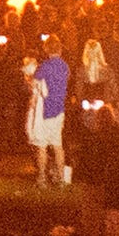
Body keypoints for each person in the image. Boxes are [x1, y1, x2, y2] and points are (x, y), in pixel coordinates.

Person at [27, 37, 70, 188]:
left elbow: (34, 85)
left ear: (46, 49)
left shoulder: (44, 67)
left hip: (45, 111)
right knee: (58, 145)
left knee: (42, 146)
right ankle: (61, 179)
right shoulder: (65, 66)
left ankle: (42, 179)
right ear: (60, 49)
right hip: (59, 110)